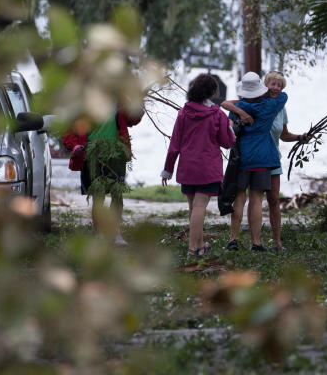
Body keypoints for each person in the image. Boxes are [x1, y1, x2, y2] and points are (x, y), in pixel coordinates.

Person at [160, 74, 236, 258]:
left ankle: (199, 243)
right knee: (200, 207)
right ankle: (194, 249)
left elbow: (174, 144)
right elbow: (227, 142)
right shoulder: (217, 114)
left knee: (193, 208)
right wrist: (230, 126)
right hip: (207, 168)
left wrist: (168, 169)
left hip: (187, 167)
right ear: (211, 92)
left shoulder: (183, 113)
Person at [219, 72, 291, 252]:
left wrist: (241, 111)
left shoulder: (239, 107)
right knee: (257, 199)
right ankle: (256, 243)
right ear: (262, 87)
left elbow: (229, 126)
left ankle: (233, 239)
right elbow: (283, 95)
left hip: (243, 157)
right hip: (263, 158)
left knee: (240, 198)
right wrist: (267, 93)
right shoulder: (272, 105)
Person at [62, 103, 144, 246]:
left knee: (117, 194)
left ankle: (115, 232)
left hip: (117, 154)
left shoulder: (119, 99)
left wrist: (139, 105)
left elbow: (132, 120)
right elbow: (68, 129)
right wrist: (74, 145)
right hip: (92, 155)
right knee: (98, 197)